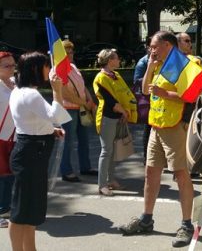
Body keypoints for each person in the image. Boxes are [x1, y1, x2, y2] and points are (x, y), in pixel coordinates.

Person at [118, 31, 195, 248]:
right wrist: (150, 67)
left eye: (154, 46)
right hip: (156, 126)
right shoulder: (157, 64)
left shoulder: (184, 66)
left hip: (175, 127)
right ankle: (146, 219)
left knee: (181, 175)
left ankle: (186, 224)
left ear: (168, 45)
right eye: (150, 47)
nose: (151, 50)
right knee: (150, 173)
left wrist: (165, 94)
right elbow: (145, 90)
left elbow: (190, 96)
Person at [8, 52, 71, 251]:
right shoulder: (30, 94)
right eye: (46, 66)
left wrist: (50, 130)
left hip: (31, 150)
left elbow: (33, 120)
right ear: (35, 69)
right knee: (21, 210)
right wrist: (57, 91)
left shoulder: (22, 91)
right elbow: (56, 117)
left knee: (31, 209)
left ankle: (30, 248)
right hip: (30, 153)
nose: (50, 70)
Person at [92, 49, 137, 196]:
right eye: (117, 58)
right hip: (107, 117)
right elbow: (110, 101)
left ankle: (110, 180)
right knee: (106, 151)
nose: (119, 60)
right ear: (110, 60)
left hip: (117, 116)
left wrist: (126, 110)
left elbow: (125, 94)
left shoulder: (115, 75)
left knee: (112, 151)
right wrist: (124, 112)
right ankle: (102, 185)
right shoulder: (101, 78)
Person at [59, 40, 97, 183]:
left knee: (84, 139)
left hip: (81, 108)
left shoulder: (73, 67)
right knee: (68, 142)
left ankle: (85, 167)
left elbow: (82, 86)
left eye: (71, 52)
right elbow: (64, 94)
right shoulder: (58, 70)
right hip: (68, 109)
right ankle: (66, 171)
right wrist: (85, 103)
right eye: (66, 52)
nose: (70, 55)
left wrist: (90, 100)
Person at [0, 52, 17, 228]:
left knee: (9, 174)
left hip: (14, 136)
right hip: (1, 137)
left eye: (13, 65)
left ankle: (6, 207)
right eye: (7, 66)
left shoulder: (15, 83)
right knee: (2, 175)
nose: (12, 68)